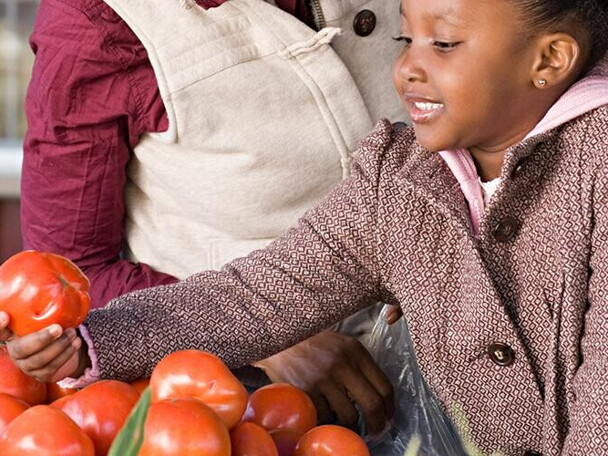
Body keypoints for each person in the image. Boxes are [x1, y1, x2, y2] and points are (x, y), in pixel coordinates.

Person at [4, 0, 608, 453]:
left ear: (549, 59)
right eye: (404, 38)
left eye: (443, 45)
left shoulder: (596, 168)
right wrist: (88, 343)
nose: (406, 70)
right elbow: (255, 296)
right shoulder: (396, 178)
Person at [18, 0, 409, 435]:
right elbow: (72, 275)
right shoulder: (94, 19)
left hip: (456, 347)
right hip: (245, 410)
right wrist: (270, 339)